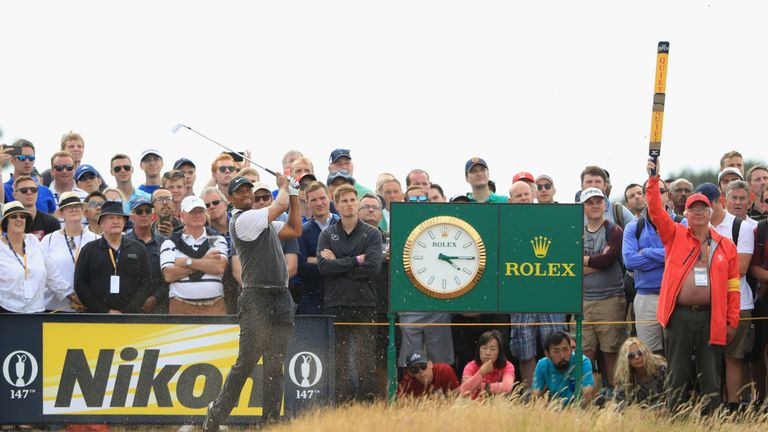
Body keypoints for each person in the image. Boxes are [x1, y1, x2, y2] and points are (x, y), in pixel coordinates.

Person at [203, 174, 301, 430]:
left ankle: (269, 423)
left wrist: (294, 195)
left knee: (274, 365)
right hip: (257, 298)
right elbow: (278, 207)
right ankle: (215, 417)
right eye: (241, 190)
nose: (247, 193)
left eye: (249, 189)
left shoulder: (262, 221)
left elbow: (294, 229)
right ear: (231, 198)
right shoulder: (244, 219)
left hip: (280, 297)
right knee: (245, 364)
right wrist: (284, 187)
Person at [646, 158, 740, 415]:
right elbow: (655, 210)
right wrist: (654, 180)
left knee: (711, 372)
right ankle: (675, 415)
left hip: (713, 315)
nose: (698, 212)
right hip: (680, 316)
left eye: (703, 208)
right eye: (693, 209)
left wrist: (732, 320)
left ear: (711, 212)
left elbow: (734, 287)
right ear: (685, 213)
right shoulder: (674, 234)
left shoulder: (725, 244)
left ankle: (710, 418)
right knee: (677, 370)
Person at [317, 183, 383, 402]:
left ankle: (367, 406)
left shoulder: (372, 233)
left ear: (357, 203)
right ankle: (342, 406)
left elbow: (373, 267)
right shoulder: (327, 235)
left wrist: (339, 264)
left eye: (352, 200)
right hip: (336, 304)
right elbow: (324, 268)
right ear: (336, 205)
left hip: (365, 304)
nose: (349, 205)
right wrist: (355, 260)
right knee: (339, 360)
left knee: (365, 360)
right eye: (344, 201)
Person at [507, 181, 567, 387]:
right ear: (510, 201)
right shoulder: (505, 224)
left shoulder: (551, 218)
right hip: (519, 297)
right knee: (525, 351)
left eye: (526, 194)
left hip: (550, 295)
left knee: (555, 347)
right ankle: (532, 394)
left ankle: (556, 393)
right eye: (518, 196)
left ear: (533, 195)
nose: (523, 198)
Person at [581, 186, 627, 388]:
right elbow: (572, 265)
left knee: (611, 351)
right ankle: (585, 397)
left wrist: (583, 261)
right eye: (590, 202)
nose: (595, 205)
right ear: (583, 206)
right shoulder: (577, 231)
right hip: (582, 300)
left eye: (599, 201)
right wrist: (596, 262)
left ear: (605, 204)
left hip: (610, 298)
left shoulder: (614, 230)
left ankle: (615, 395)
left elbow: (609, 259)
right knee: (584, 354)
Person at [0, 201, 79, 313]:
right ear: (5, 222)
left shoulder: (33, 241)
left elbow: (52, 275)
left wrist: (73, 297)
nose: (19, 219)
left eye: (23, 216)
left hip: (36, 310)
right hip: (6, 311)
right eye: (13, 217)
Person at [74, 201, 151, 313]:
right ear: (101, 222)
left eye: (120, 218)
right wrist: (104, 311)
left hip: (131, 318)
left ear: (125, 222)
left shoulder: (138, 248)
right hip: (97, 317)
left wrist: (128, 311)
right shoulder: (89, 249)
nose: (116, 221)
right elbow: (80, 284)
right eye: (111, 218)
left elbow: (146, 283)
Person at [41, 192, 100, 313]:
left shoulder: (96, 239)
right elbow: (46, 273)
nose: (74, 209)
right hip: (55, 309)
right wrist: (71, 296)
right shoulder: (48, 240)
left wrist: (89, 299)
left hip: (88, 308)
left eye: (77, 206)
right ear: (61, 213)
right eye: (68, 207)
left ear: (83, 211)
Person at [297, 181, 338, 314]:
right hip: (312, 298)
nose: (319, 203)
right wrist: (329, 261)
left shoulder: (343, 226)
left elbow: (349, 260)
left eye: (322, 198)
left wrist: (313, 259)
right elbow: (302, 266)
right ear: (307, 203)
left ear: (329, 198)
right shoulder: (302, 231)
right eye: (313, 200)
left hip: (341, 296)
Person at [125, 196, 169, 314]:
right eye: (139, 211)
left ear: (153, 215)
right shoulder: (122, 242)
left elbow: (169, 276)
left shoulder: (164, 242)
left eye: (148, 211)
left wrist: (156, 298)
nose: (144, 214)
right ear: (131, 217)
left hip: (160, 307)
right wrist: (136, 301)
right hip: (129, 306)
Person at [532, 331, 595, 405]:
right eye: (556, 351)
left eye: (565, 350)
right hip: (554, 409)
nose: (562, 356)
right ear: (547, 354)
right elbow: (536, 394)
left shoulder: (582, 361)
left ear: (571, 349)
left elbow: (587, 391)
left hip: (577, 410)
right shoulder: (542, 365)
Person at [3, 139, 57, 213]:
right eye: (22, 158)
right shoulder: (4, 189)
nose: (27, 161)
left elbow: (52, 221)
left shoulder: (46, 191)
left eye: (31, 158)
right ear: (12, 160)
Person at [459, 330, 515, 399]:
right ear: (479, 349)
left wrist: (484, 386)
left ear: (499, 352)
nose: (487, 353)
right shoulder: (470, 366)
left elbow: (507, 387)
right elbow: (464, 390)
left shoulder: (507, 366)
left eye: (493, 349)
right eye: (484, 348)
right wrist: (481, 373)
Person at [612, 337, 668, 406]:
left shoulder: (662, 369)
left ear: (646, 353)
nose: (637, 357)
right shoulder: (625, 378)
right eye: (631, 355)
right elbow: (619, 404)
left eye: (640, 353)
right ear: (626, 360)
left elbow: (675, 394)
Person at [12, 175, 61, 241]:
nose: (29, 192)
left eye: (33, 189)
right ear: (15, 195)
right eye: (24, 190)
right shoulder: (10, 223)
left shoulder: (51, 222)